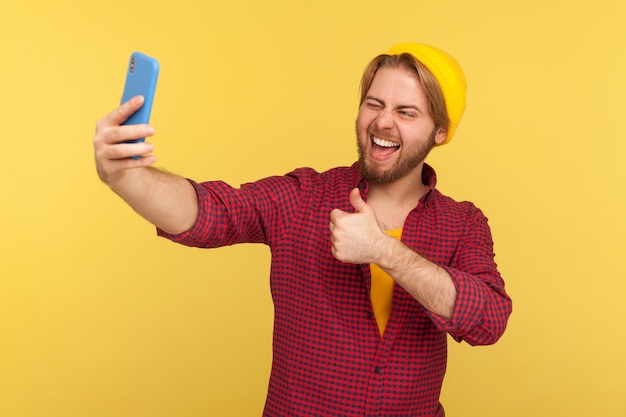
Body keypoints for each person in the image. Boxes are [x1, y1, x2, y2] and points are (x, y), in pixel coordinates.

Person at [93, 42, 512, 417]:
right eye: (374, 103)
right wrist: (126, 177)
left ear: (440, 131)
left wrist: (383, 250)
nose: (383, 122)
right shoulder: (303, 196)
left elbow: (489, 321)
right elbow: (210, 213)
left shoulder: (463, 223)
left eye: (406, 112)